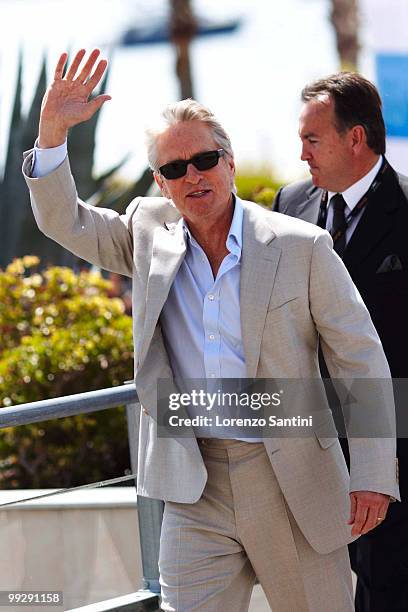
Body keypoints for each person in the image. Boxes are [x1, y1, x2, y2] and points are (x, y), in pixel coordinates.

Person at [23, 50, 399, 612]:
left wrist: (372, 472)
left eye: (203, 159)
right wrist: (52, 133)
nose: (191, 176)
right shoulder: (147, 232)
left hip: (293, 478)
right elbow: (65, 220)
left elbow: (359, 360)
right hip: (192, 482)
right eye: (174, 169)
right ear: (160, 182)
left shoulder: (302, 245)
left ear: (228, 161)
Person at [274, 72, 408, 612]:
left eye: (312, 139)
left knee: (385, 590)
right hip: (307, 441)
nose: (301, 153)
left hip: (391, 445)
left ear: (356, 139)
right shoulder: (289, 203)